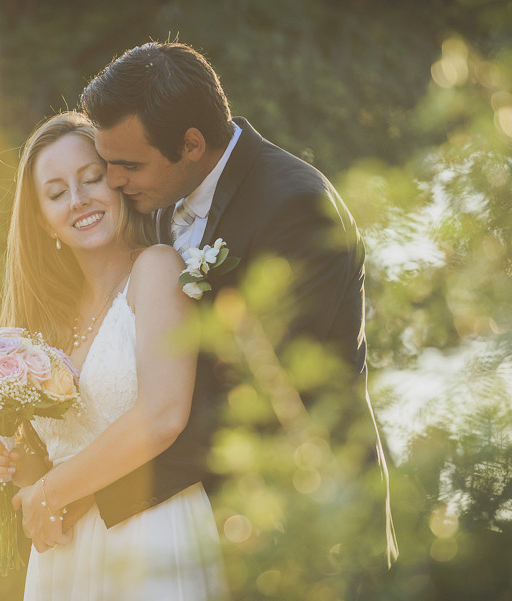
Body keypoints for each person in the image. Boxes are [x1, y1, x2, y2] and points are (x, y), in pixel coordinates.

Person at [76, 41, 400, 586]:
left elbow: (262, 397)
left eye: (127, 164)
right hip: (197, 526)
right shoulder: (155, 199)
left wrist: (100, 486)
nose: (112, 181)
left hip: (303, 524)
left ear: (192, 144)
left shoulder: (298, 208)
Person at [0, 111, 229, 600]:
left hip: (149, 536)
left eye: (91, 178)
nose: (79, 200)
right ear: (40, 218)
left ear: (117, 183)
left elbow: (162, 415)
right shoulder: (44, 324)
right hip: (66, 558)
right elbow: (52, 460)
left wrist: (49, 493)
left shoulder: (157, 270)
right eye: (56, 193)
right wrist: (13, 462)